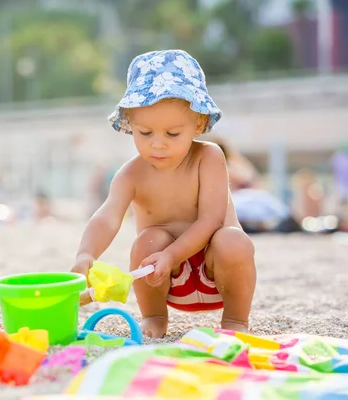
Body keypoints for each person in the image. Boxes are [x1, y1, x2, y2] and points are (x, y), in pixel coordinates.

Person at [70, 50, 256, 338]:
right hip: (163, 278)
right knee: (147, 241)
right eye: (145, 133)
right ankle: (154, 316)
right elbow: (107, 216)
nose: (158, 145)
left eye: (172, 134)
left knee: (233, 239)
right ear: (130, 123)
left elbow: (210, 219)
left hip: (216, 273)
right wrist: (86, 254)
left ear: (197, 123)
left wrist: (172, 254)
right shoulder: (131, 174)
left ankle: (235, 321)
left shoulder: (209, 157)